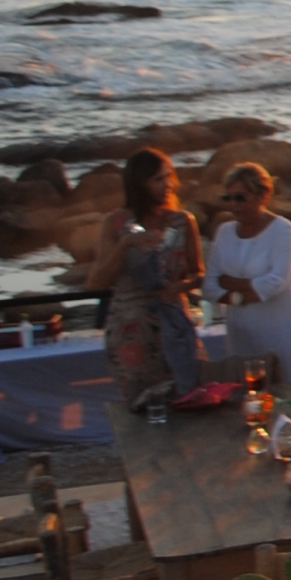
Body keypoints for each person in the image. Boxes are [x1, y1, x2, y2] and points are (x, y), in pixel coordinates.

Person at [93, 148, 204, 408]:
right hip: (132, 331)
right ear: (139, 184)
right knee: (144, 408)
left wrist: (182, 286)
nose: (169, 185)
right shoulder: (116, 223)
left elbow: (198, 272)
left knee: (189, 398)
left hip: (175, 326)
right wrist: (125, 245)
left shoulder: (182, 221)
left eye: (169, 177)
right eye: (158, 179)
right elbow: (97, 281)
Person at [205, 161, 291, 388]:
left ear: (263, 195)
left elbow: (276, 282)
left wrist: (230, 283)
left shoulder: (283, 230)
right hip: (239, 330)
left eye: (240, 197)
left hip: (279, 327)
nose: (233, 204)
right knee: (248, 393)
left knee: (289, 391)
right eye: (229, 198)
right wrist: (240, 296)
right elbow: (210, 285)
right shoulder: (224, 232)